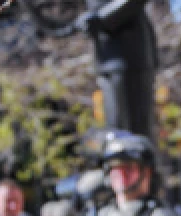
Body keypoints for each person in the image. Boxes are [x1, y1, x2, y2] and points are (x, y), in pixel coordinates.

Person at [67, 0, 157, 142]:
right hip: (105, 59)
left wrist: (102, 18)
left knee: (132, 134)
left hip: (128, 55)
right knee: (116, 131)